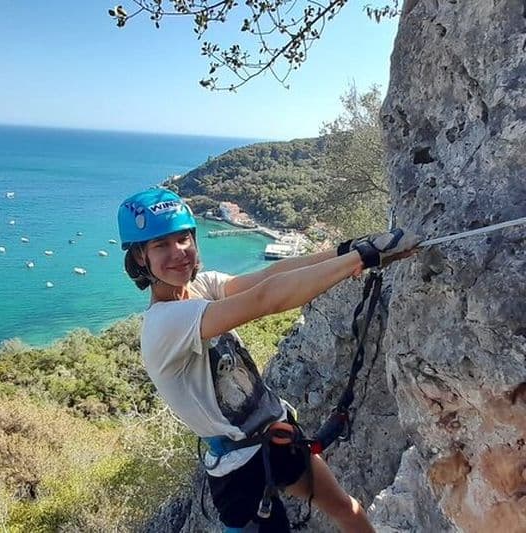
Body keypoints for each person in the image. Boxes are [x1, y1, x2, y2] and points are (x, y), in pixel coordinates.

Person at [117, 188, 420, 532]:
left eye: (183, 239)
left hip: (275, 434)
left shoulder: (202, 286)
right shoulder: (164, 324)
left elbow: (268, 277)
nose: (178, 252)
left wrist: (347, 251)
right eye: (161, 245)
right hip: (238, 469)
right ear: (140, 256)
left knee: (347, 509)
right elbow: (265, 299)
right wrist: (361, 258)